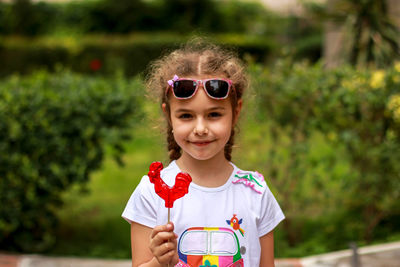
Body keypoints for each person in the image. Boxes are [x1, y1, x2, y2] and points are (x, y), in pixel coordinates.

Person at [122, 40, 285, 267]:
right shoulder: (151, 192)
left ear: (235, 112)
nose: (200, 129)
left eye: (214, 114)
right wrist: (159, 262)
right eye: (186, 116)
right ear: (169, 115)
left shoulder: (255, 193)